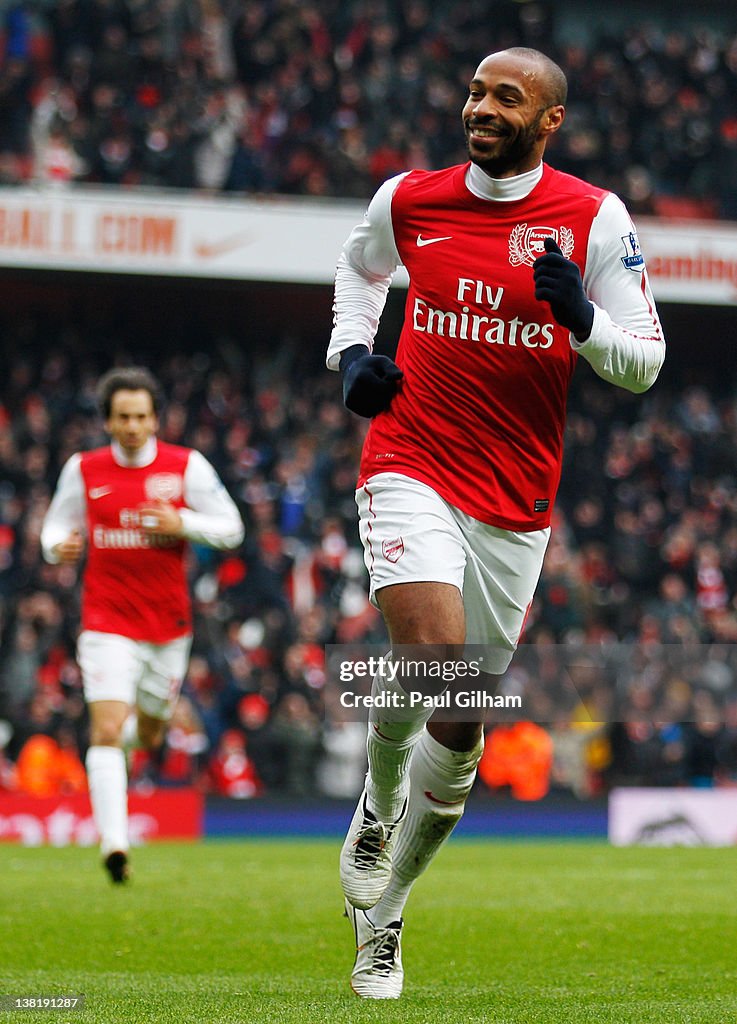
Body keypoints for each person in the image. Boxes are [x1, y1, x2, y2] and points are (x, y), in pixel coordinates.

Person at [327, 47, 665, 998]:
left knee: (463, 715)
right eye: (475, 92)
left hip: (514, 502)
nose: (479, 107)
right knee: (432, 661)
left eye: (502, 98)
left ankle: (385, 908)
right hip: (408, 460)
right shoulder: (410, 199)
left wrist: (583, 322)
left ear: (547, 118)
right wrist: (354, 357)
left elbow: (644, 361)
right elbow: (359, 275)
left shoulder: (593, 217)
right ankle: (379, 802)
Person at [41, 366, 244, 883]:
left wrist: (184, 524)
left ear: (155, 420)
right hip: (105, 619)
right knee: (106, 729)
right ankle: (115, 844)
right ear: (108, 422)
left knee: (149, 733)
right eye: (122, 417)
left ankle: (129, 761)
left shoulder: (185, 467)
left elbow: (232, 528)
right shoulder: (83, 469)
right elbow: (56, 525)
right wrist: (55, 546)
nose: (132, 425)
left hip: (167, 627)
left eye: (140, 416)